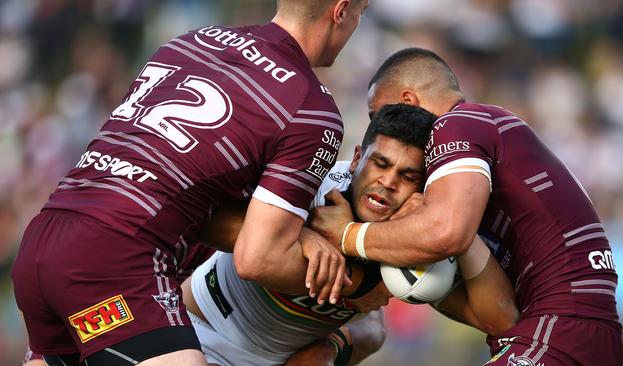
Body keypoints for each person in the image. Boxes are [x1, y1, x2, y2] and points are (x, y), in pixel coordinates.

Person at [11, 1, 369, 365]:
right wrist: (362, 286)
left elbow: (179, 172)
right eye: (361, 11)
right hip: (115, 258)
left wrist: (301, 232)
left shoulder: (188, 42)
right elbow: (260, 258)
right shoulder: (311, 109)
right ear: (340, 10)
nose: (358, 23)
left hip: (44, 238)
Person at [310, 48, 623, 365]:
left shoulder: (457, 124)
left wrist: (349, 236)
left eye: (376, 115)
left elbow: (448, 232)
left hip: (559, 325)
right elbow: (500, 320)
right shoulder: (458, 179)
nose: (382, 127)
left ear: (407, 103)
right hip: (567, 330)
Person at [181, 104, 518, 365]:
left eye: (408, 175)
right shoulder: (311, 182)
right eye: (381, 164)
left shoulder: (416, 238)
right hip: (200, 328)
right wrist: (300, 235)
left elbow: (499, 319)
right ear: (357, 158)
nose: (388, 182)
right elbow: (206, 221)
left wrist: (460, 234)